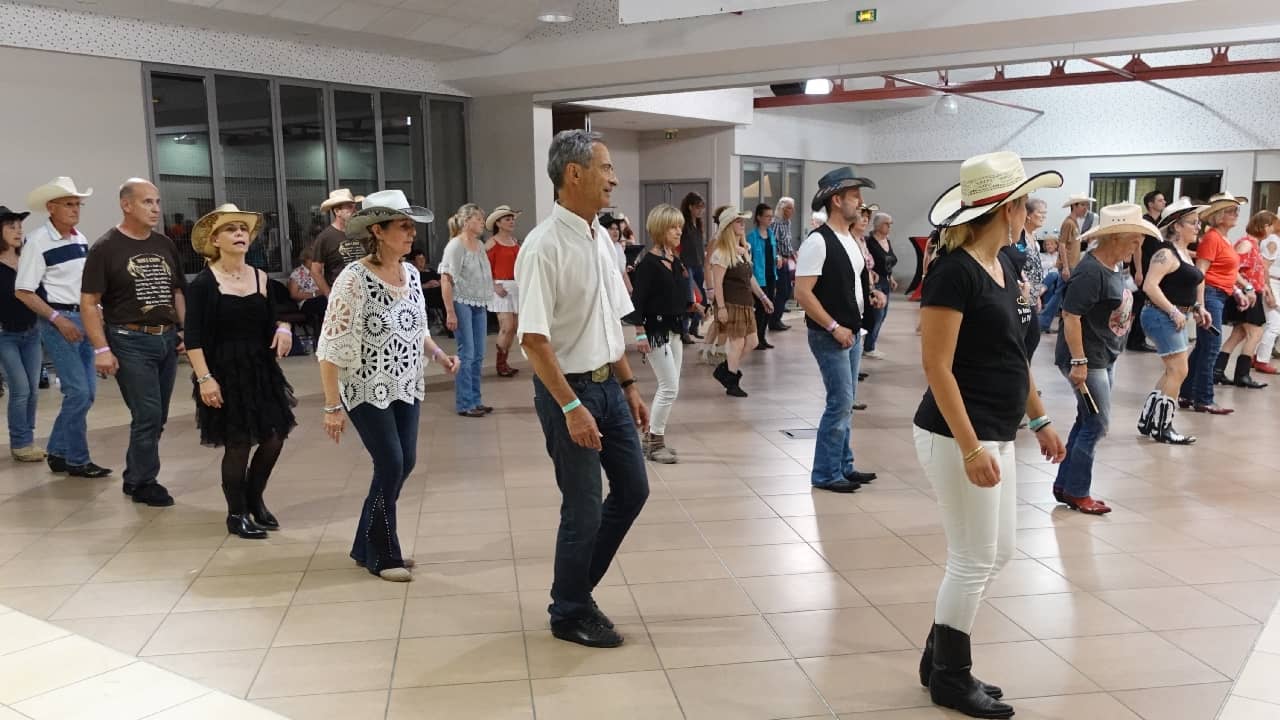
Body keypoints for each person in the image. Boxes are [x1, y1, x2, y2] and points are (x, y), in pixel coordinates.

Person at [916, 151, 1065, 720]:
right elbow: (937, 366)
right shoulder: (954, 272)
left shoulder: (1006, 263)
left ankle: (938, 658)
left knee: (998, 552)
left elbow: (1015, 354)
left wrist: (1040, 417)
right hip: (957, 436)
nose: (1031, 213)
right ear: (1005, 208)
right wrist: (971, 446)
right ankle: (951, 676)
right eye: (1025, 203)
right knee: (974, 557)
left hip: (999, 428)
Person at [516, 130, 650, 648]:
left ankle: (574, 588)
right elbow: (532, 338)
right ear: (574, 174)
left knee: (633, 491)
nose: (614, 177)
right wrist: (571, 406)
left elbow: (608, 323)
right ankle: (569, 611)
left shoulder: (601, 240)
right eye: (606, 167)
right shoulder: (543, 246)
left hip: (608, 390)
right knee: (584, 506)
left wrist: (630, 388)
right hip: (567, 392)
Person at [317, 190, 457, 582]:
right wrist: (331, 407)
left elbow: (413, 328)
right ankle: (383, 553)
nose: (412, 234)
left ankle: (366, 543)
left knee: (404, 462)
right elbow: (331, 345)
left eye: (413, 226)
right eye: (404, 226)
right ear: (377, 230)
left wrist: (438, 355)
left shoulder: (411, 274)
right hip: (364, 385)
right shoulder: (353, 279)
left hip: (404, 382)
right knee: (391, 463)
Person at [184, 204, 296, 538]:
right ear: (215, 240)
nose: (239, 235)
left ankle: (254, 500)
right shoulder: (204, 283)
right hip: (223, 370)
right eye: (231, 230)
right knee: (238, 443)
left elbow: (279, 315)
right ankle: (236, 514)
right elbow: (193, 338)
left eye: (243, 229)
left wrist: (284, 329)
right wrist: (205, 379)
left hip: (261, 369)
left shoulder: (261, 277)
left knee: (274, 438)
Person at [81, 179, 187, 507]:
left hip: (165, 338)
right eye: (147, 202)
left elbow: (177, 291)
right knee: (148, 413)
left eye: (157, 202)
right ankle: (144, 481)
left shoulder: (165, 244)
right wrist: (101, 349)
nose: (155, 209)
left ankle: (135, 475)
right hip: (128, 339)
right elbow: (88, 302)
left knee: (158, 415)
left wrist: (186, 332)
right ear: (126, 205)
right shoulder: (106, 247)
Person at [1053, 203, 1152, 515]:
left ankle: (1066, 484)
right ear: (1114, 238)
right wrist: (1079, 362)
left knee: (1087, 418)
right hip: (1087, 358)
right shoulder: (1090, 271)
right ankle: (1078, 491)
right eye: (1134, 240)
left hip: (1103, 354)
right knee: (1097, 423)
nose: (1139, 246)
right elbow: (1070, 316)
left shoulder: (1113, 266)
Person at [794, 167, 885, 493]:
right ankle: (825, 472)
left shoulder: (850, 238)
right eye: (855, 197)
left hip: (852, 330)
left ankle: (843, 466)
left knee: (847, 402)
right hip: (830, 334)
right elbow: (802, 293)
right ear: (836, 200)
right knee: (839, 402)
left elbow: (850, 279)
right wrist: (833, 326)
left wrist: (870, 293)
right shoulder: (818, 242)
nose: (860, 204)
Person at [15, 177, 111, 478]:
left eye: (77, 204)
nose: (75, 209)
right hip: (59, 321)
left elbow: (81, 285)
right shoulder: (38, 241)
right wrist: (58, 320)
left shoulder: (79, 238)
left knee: (85, 394)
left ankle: (58, 451)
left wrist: (97, 310)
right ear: (51, 207)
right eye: (69, 204)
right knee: (79, 392)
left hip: (84, 318)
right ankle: (77, 460)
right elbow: (23, 290)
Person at [1136, 198, 1209, 445]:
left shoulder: (1183, 254)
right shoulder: (1165, 253)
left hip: (1172, 314)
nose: (1197, 227)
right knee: (1180, 370)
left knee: (1172, 370)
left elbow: (1186, 285)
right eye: (1192, 223)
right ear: (1177, 226)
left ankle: (1150, 420)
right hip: (1161, 315)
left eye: (1199, 223)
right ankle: (1163, 426)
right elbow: (1149, 286)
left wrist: (1197, 307)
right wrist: (1174, 312)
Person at [628, 204, 695, 464]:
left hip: (675, 330)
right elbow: (638, 301)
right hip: (656, 332)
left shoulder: (673, 260)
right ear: (659, 229)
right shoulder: (648, 264)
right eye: (673, 227)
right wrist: (640, 333)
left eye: (680, 226)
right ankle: (654, 441)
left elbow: (677, 293)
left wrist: (694, 305)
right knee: (669, 387)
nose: (679, 231)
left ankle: (654, 439)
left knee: (671, 387)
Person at [1180, 192, 1249, 414]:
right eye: (1231, 210)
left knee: (1203, 348)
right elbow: (1201, 273)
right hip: (1210, 296)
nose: (1236, 214)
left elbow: (1227, 271)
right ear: (1219, 216)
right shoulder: (1212, 239)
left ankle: (1187, 393)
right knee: (1210, 349)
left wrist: (1237, 290)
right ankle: (1204, 398)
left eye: (1236, 210)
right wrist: (1200, 305)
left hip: (1220, 294)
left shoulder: (1224, 239)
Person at [710, 207, 773, 397]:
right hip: (731, 304)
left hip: (746, 304)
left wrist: (762, 297)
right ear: (728, 226)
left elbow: (750, 278)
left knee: (752, 342)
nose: (742, 225)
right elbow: (718, 283)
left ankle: (726, 370)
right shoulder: (720, 253)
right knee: (737, 343)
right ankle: (731, 381)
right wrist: (721, 307)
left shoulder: (744, 250)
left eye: (743, 221)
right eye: (738, 222)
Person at [441, 203, 494, 417]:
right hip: (461, 301)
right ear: (466, 221)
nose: (482, 223)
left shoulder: (479, 245)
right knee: (467, 352)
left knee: (479, 354)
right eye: (479, 219)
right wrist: (450, 311)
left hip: (479, 303)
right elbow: (446, 278)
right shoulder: (456, 246)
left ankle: (475, 398)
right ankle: (465, 403)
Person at [0, 205, 44, 462]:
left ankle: (27, 438)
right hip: (5, 335)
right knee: (20, 388)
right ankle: (20, 443)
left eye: (19, 226)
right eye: (10, 226)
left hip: (32, 332)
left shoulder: (28, 257)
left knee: (33, 390)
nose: (18, 231)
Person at [1217, 209, 1276, 389]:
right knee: (1255, 333)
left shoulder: (1253, 244)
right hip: (1246, 294)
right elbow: (1234, 268)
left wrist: (1263, 287)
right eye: (1271, 227)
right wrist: (1247, 288)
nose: (1272, 231)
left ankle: (1217, 371)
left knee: (1239, 334)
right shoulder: (1247, 244)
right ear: (1264, 226)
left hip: (1251, 292)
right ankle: (1242, 374)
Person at [1127, 190, 1169, 352]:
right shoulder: (1145, 221)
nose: (1163, 203)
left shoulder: (1159, 221)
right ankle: (1135, 340)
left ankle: (1137, 338)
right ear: (1150, 204)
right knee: (1143, 303)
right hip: (1143, 267)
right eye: (1160, 200)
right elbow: (1138, 247)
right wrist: (1138, 271)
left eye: (1163, 200)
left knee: (1143, 303)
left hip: (1152, 267)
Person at [484, 205, 522, 378]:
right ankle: (500, 363)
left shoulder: (515, 241)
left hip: (515, 285)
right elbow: (483, 266)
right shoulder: (492, 243)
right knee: (506, 326)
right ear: (498, 223)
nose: (511, 221)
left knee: (513, 327)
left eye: (512, 218)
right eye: (507, 219)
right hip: (500, 286)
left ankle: (504, 362)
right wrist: (493, 285)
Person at [310, 188, 365, 296]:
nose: (355, 211)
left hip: (365, 295)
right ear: (337, 211)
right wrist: (329, 295)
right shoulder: (325, 238)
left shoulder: (362, 233)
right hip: (341, 297)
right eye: (349, 207)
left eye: (355, 207)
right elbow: (315, 271)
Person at [863, 211, 898, 359]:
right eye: (886, 223)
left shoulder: (887, 241)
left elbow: (888, 262)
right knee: (877, 316)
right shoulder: (869, 241)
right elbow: (866, 261)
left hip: (885, 281)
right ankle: (869, 347)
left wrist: (891, 277)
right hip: (874, 282)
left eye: (890, 224)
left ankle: (869, 343)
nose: (889, 226)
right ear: (877, 225)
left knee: (882, 316)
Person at [746, 204, 778, 349]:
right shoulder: (751, 237)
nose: (770, 219)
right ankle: (756, 338)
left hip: (771, 275)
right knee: (760, 308)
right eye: (767, 216)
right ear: (759, 217)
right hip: (759, 277)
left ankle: (762, 337)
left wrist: (777, 258)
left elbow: (772, 252)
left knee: (769, 308)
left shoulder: (771, 234)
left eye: (771, 217)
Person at [679, 192, 709, 337]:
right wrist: (681, 265)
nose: (700, 211)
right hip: (687, 264)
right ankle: (684, 330)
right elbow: (678, 246)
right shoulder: (683, 224)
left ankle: (694, 326)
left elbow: (699, 244)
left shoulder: (698, 224)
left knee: (701, 297)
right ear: (690, 207)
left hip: (698, 264)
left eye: (702, 208)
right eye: (698, 207)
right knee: (690, 298)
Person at [1254, 212, 1280, 372]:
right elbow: (1264, 267)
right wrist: (1269, 291)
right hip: (1272, 283)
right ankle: (1261, 359)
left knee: (1273, 323)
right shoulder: (1273, 241)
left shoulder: (1273, 240)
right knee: (1274, 324)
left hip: (1274, 283)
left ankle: (1256, 355)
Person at [288, 243, 326, 342]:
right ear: (306, 260)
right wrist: (314, 294)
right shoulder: (297, 273)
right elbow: (294, 294)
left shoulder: (319, 272)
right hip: (306, 303)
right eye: (313, 260)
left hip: (322, 299)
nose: (316, 263)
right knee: (323, 303)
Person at [769, 197, 797, 331]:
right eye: (790, 208)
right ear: (782, 209)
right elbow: (772, 243)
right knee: (782, 291)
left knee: (787, 291)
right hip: (778, 262)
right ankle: (774, 320)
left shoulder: (788, 223)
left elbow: (787, 243)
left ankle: (776, 318)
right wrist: (778, 257)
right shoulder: (776, 223)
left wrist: (793, 253)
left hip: (787, 259)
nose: (793, 211)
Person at [1059, 193, 1097, 275]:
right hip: (1069, 266)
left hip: (1073, 264)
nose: (1085, 208)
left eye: (1087, 205)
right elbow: (1062, 245)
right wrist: (1065, 268)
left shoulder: (1075, 222)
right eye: (1082, 205)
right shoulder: (1068, 223)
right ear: (1074, 206)